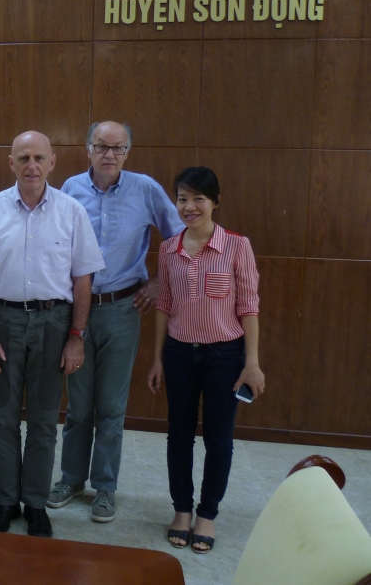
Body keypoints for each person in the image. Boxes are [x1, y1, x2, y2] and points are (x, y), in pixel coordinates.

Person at [0, 131, 104, 538]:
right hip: (2, 321)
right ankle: (6, 501)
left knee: (42, 421)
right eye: (23, 158)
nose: (32, 165)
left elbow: (83, 279)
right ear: (11, 163)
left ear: (52, 162)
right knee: (3, 419)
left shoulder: (72, 211)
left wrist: (76, 337)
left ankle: (36, 504)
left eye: (39, 157)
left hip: (54, 323)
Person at [49, 121, 184, 522]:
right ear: (88, 149)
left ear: (128, 151)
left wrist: (158, 281)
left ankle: (105, 487)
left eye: (118, 148)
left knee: (111, 405)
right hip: (77, 309)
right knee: (78, 405)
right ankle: (71, 479)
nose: (110, 155)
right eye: (102, 147)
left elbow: (179, 237)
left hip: (124, 309)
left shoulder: (145, 189)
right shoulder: (70, 189)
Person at [147, 166, 265, 554]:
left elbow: (249, 307)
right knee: (179, 435)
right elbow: (164, 305)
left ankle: (207, 514)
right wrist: (157, 358)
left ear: (215, 202)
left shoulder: (237, 246)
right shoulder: (169, 249)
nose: (190, 206)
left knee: (218, 439)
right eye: (182, 199)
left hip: (224, 357)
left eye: (199, 198)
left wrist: (251, 362)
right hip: (180, 354)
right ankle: (181, 510)